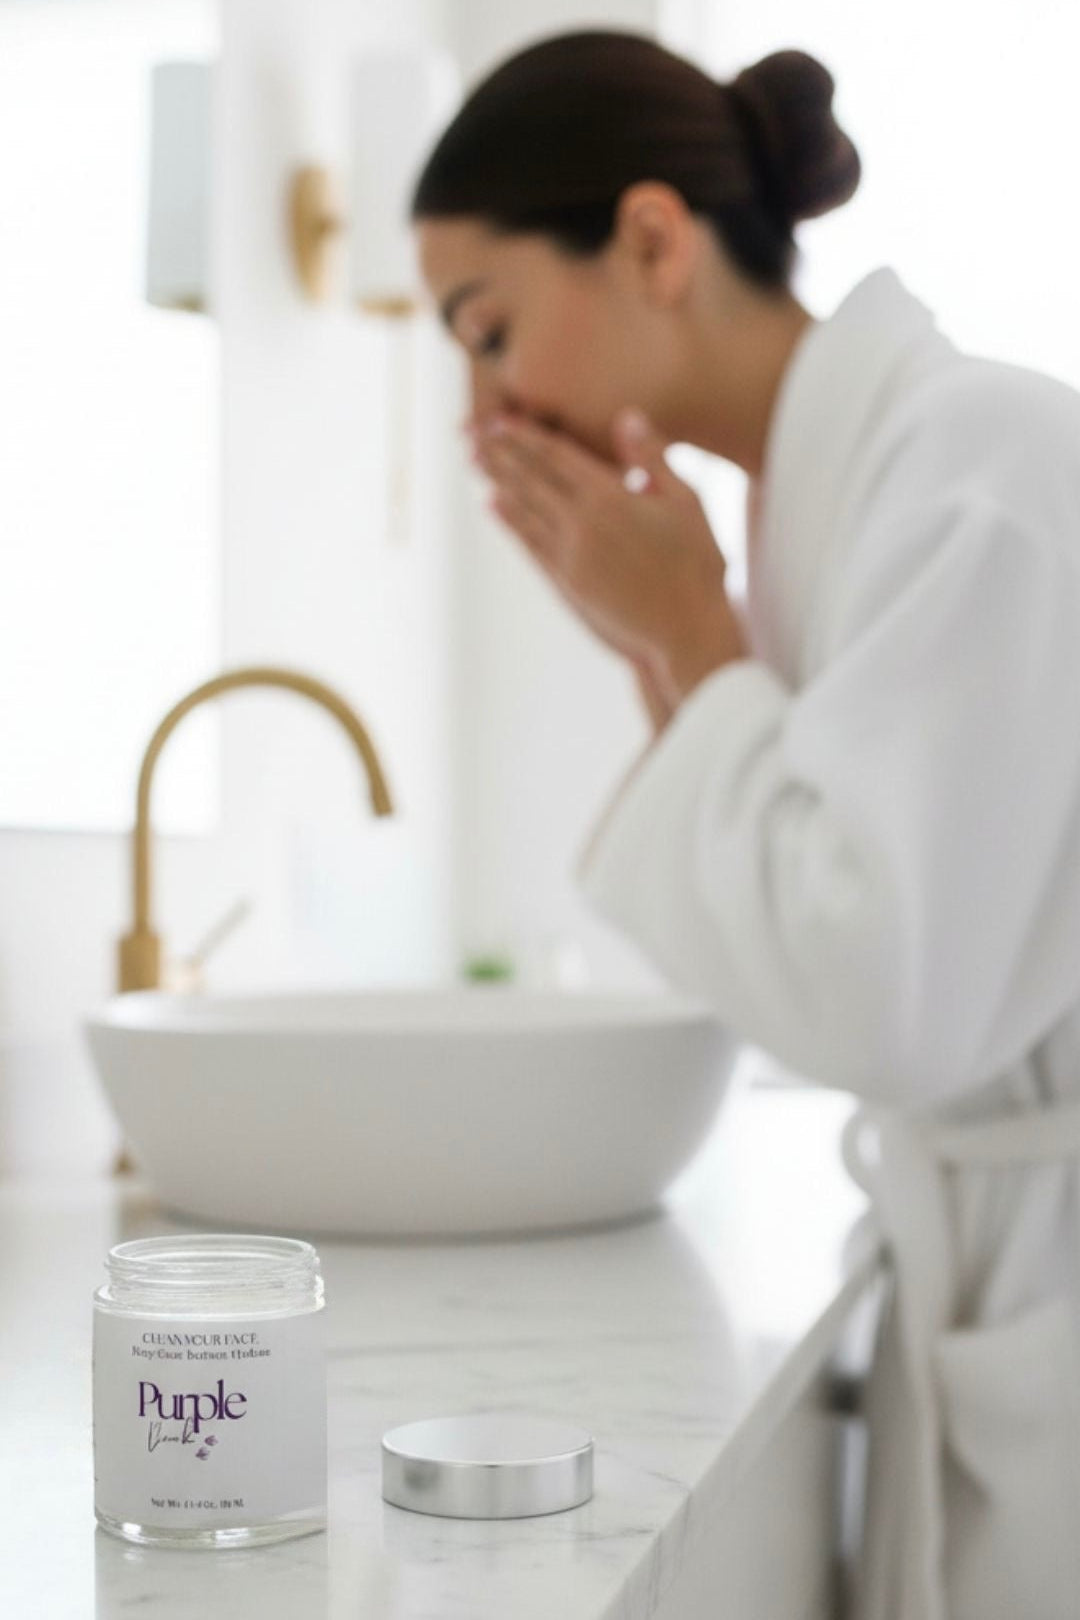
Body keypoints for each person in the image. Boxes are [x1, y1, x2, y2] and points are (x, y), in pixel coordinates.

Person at [410, 29, 1080, 1620]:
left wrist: (696, 641)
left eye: (487, 329)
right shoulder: (827, 507)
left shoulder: (982, 462)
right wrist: (668, 649)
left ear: (650, 239)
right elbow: (794, 924)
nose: (478, 406)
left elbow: (881, 997)